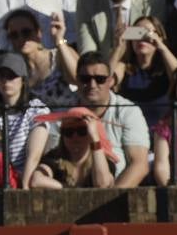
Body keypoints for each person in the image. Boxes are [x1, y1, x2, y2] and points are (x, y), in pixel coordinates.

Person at [23, 51, 150, 187]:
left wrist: (112, 196)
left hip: (114, 185)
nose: (92, 84)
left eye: (100, 79)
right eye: (85, 79)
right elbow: (53, 156)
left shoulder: (128, 111)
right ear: (77, 80)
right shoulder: (65, 111)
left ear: (111, 80)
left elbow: (139, 165)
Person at [25, 110, 117, 189]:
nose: (75, 136)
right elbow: (36, 181)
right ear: (62, 137)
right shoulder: (54, 158)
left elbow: (103, 184)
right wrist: (72, 189)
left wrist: (95, 140)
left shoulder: (103, 162)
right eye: (69, 132)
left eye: (82, 131)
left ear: (91, 134)